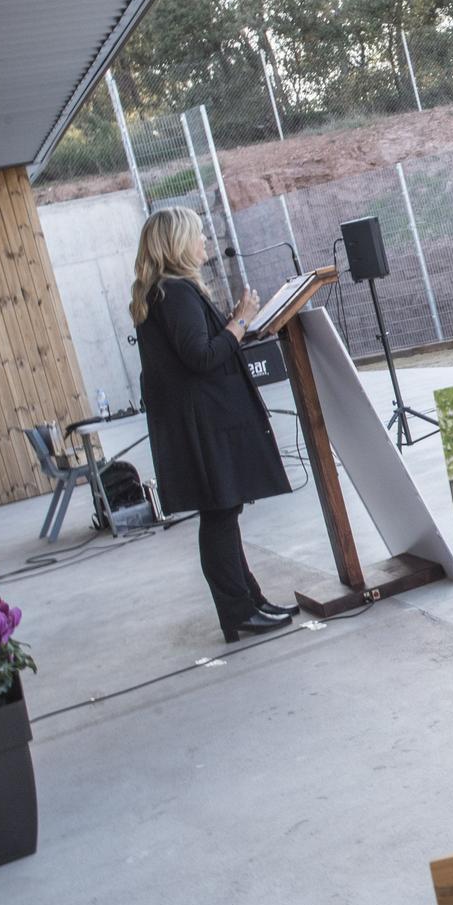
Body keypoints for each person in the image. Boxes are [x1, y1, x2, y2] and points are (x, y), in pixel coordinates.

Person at [130, 208, 295, 645]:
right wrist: (240, 321)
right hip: (203, 426)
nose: (205, 241)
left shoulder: (165, 292)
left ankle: (250, 602)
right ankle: (239, 612)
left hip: (196, 424)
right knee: (220, 516)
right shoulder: (176, 292)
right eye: (199, 235)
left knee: (224, 513)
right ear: (180, 243)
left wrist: (237, 327)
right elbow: (200, 357)